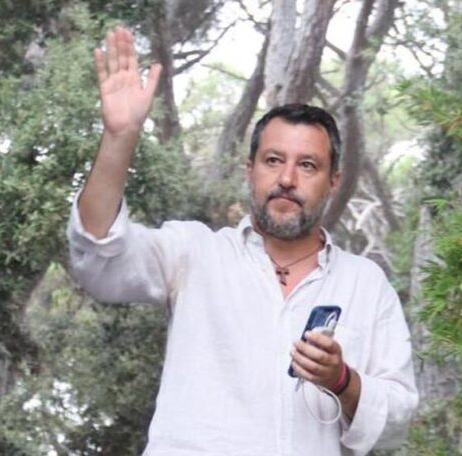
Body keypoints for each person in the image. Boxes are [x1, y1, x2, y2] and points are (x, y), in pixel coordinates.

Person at [66, 26, 418, 455]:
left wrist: (341, 380)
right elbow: (99, 259)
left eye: (308, 165)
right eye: (273, 160)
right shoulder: (195, 253)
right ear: (250, 171)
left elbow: (396, 423)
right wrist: (119, 139)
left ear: (333, 182)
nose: (287, 178)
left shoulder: (365, 284)